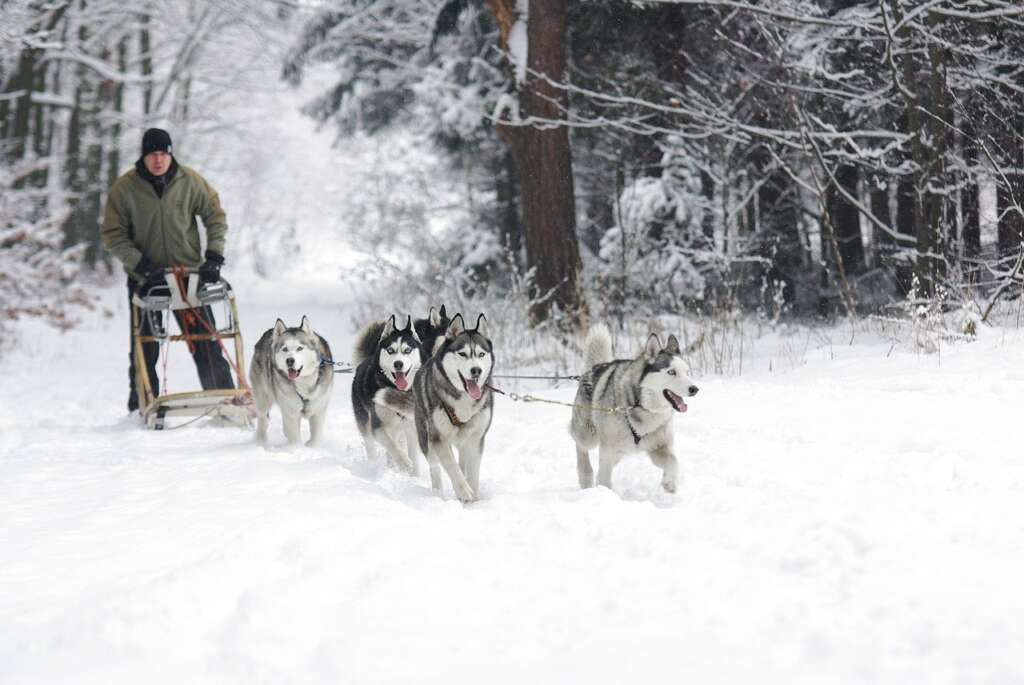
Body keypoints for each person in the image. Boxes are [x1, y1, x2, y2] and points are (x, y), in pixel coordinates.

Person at [101, 128, 235, 412]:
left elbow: (215, 217)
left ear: (170, 154)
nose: (158, 160)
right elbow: (113, 234)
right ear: (144, 156)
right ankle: (142, 406)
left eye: (163, 153)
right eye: (152, 154)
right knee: (145, 345)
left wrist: (214, 256)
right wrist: (140, 264)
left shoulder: (190, 181)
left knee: (205, 342)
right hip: (146, 280)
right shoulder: (125, 188)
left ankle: (224, 399)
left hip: (187, 278)